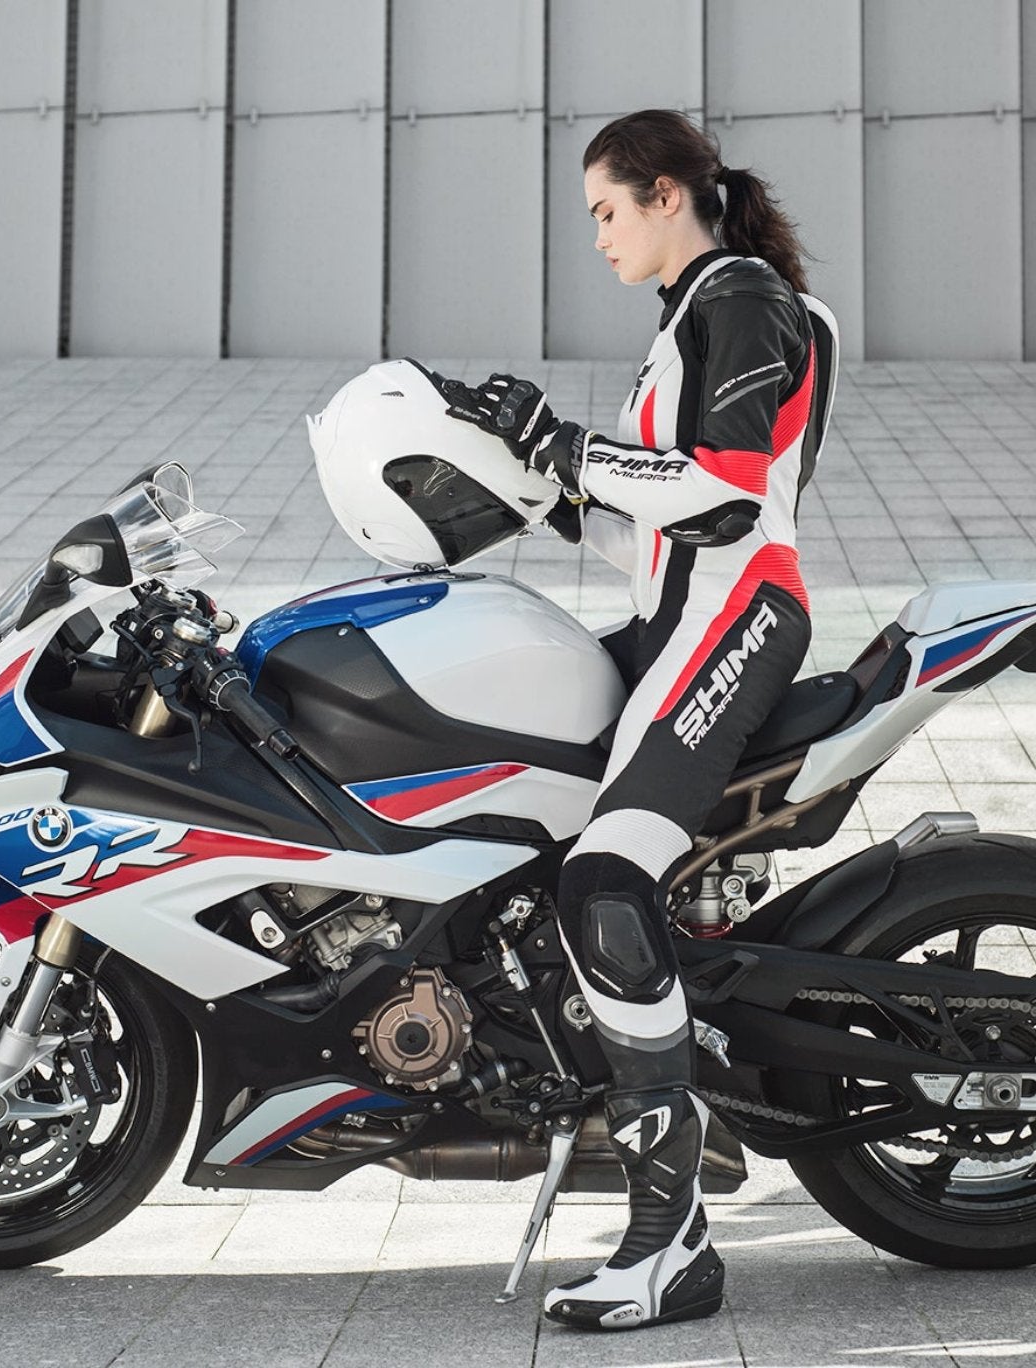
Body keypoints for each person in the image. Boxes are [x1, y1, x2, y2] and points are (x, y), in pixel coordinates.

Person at [434, 108, 826, 1331]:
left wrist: (569, 442)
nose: (596, 235)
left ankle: (671, 1242)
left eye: (605, 210)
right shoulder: (690, 318)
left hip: (738, 617)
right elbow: (650, 523)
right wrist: (542, 487)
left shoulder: (741, 297)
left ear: (667, 195)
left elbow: (721, 497)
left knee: (603, 884)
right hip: (681, 618)